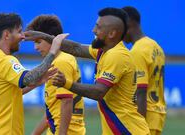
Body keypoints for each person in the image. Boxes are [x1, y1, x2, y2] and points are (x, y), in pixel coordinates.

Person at [24, 7, 150, 135]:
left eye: (99, 27)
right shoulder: (104, 50)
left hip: (127, 129)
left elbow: (98, 92)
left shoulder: (116, 55)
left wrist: (66, 83)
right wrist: (44, 36)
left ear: (112, 34)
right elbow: (76, 48)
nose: (93, 30)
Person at [0, 13, 69, 135]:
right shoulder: (5, 60)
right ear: (7, 34)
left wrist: (37, 82)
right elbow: (28, 78)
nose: (23, 36)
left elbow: (6, 92)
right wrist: (53, 50)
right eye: (19, 32)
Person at [26, 15, 85, 135]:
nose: (35, 47)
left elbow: (67, 102)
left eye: (38, 42)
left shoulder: (61, 62)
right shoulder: (60, 59)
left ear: (52, 39)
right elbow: (53, 112)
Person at [122, 6, 166, 135]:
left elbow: (141, 90)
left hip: (146, 116)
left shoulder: (138, 51)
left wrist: (138, 125)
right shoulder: (156, 47)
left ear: (129, 23)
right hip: (158, 114)